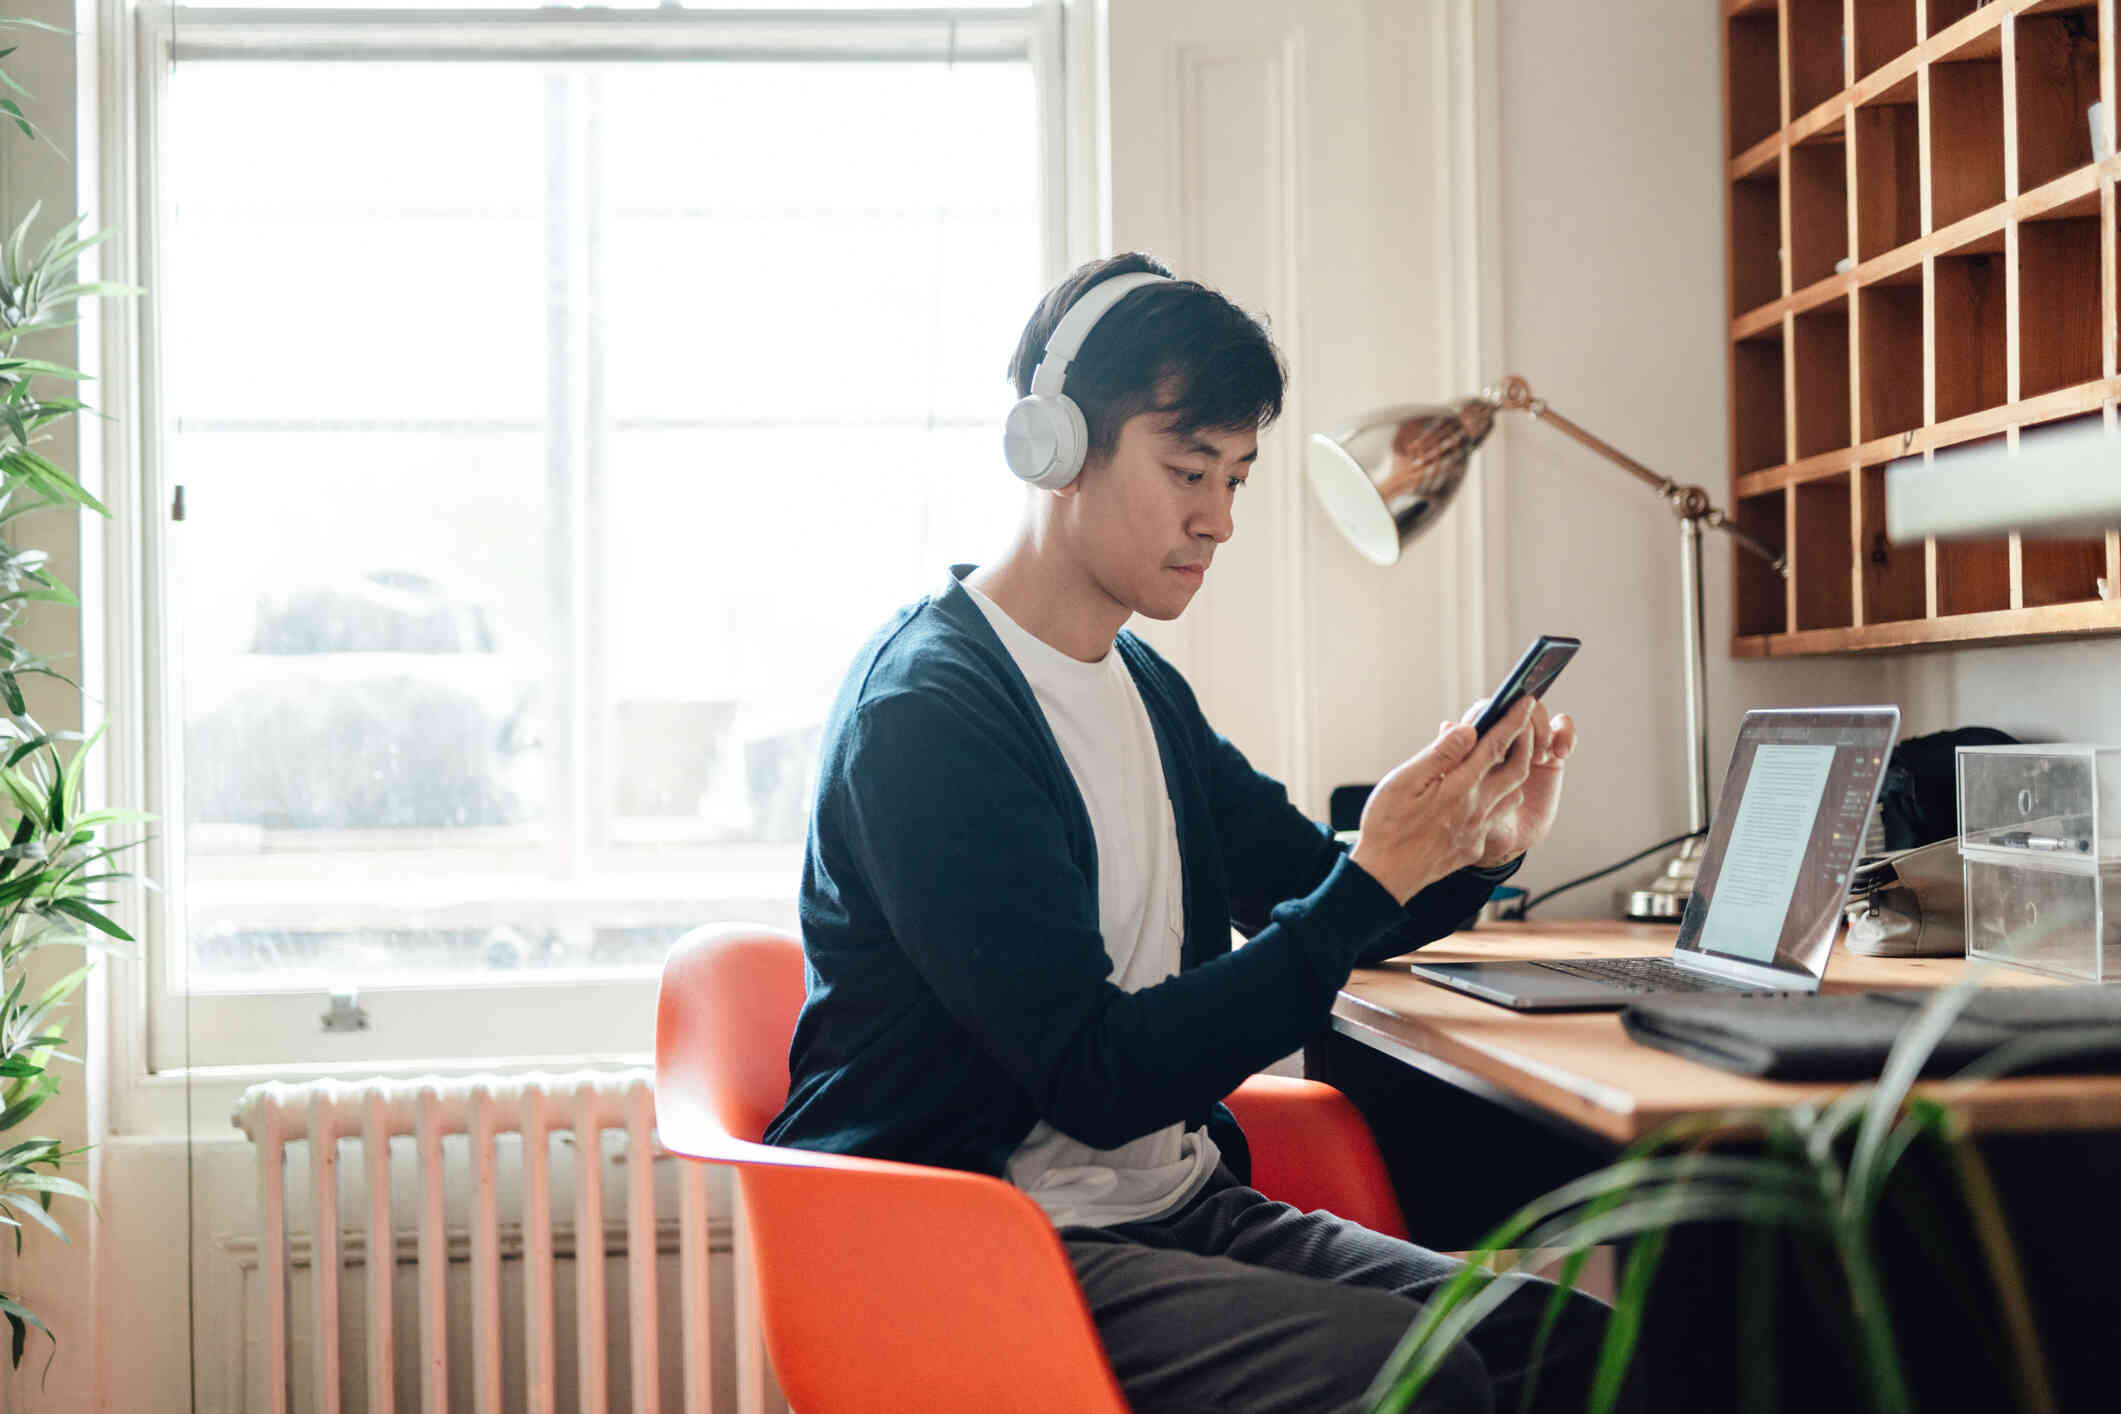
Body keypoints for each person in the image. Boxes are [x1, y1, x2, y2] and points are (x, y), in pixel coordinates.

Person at [765, 252, 1611, 1413]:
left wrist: (1479, 846)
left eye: (1238, 478)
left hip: (1174, 1209)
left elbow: (1320, 896)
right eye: (1187, 471)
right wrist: (1370, 878)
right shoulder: (929, 717)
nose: (1217, 519)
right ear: (1054, 448)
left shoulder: (1141, 687)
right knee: (1421, 1381)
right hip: (983, 1246)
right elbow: (1100, 1075)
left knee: (1576, 1346)